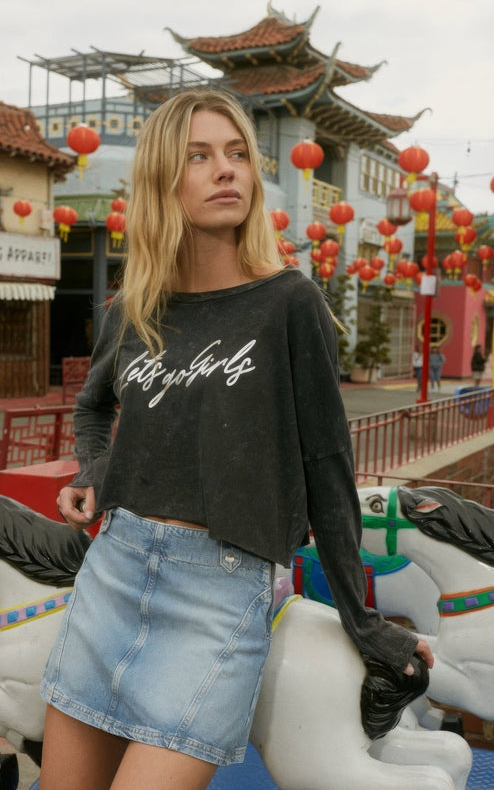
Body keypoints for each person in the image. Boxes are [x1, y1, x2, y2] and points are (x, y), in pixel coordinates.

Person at [40, 89, 433, 790]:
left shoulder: (288, 301)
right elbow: (94, 405)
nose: (226, 170)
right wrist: (96, 469)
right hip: (113, 571)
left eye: (236, 154)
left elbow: (327, 469)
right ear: (165, 179)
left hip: (218, 595)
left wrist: (360, 617)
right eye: (198, 156)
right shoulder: (133, 306)